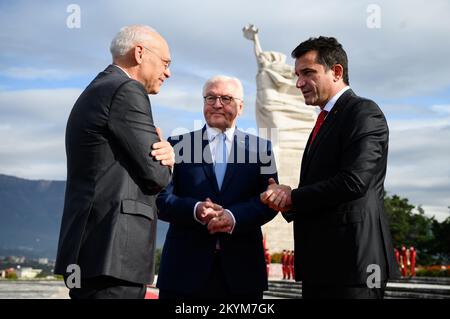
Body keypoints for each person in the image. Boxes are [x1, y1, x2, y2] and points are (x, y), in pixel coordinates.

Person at [261, 36, 399, 299]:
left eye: (308, 73)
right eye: (297, 75)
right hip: (322, 265)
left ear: (336, 72)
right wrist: (287, 200)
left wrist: (293, 196)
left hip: (354, 265)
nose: (299, 83)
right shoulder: (323, 120)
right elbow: (323, 186)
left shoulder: (363, 112)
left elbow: (354, 181)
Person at [54, 25, 174, 299]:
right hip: (113, 254)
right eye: (166, 63)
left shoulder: (99, 88)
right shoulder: (126, 90)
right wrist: (169, 159)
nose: (168, 72)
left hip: (94, 253)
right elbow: (156, 174)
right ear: (140, 53)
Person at [156, 75, 279, 299]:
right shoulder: (177, 145)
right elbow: (161, 200)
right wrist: (195, 210)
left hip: (242, 274)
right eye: (210, 97)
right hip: (183, 272)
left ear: (240, 107)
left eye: (226, 98)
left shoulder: (262, 148)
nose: (217, 104)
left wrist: (234, 216)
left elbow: (269, 203)